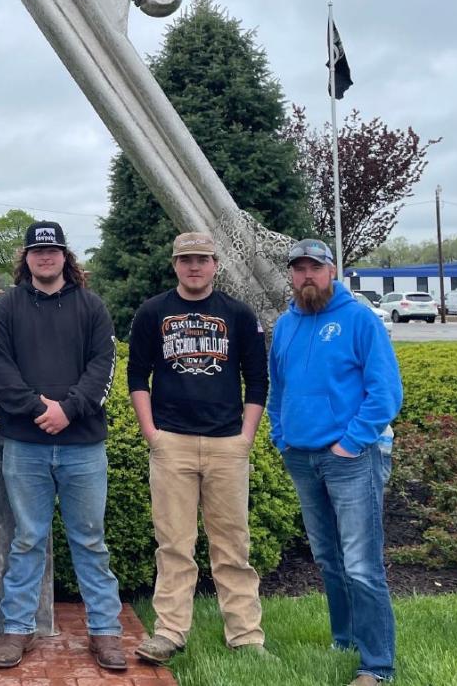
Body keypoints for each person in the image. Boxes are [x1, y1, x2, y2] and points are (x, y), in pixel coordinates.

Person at [0, 221, 127, 671]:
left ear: (66, 256)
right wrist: (34, 407)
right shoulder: (7, 307)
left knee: (90, 540)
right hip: (25, 444)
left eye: (53, 251)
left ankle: (105, 632)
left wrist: (69, 409)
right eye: (37, 252)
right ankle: (17, 630)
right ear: (26, 258)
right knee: (27, 539)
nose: (45, 258)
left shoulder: (91, 306)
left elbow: (104, 365)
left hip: (83, 445)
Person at [127, 232, 270, 665]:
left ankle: (246, 636)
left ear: (215, 265)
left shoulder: (239, 315)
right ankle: (169, 633)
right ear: (175, 265)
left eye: (202, 260)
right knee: (174, 545)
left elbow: (258, 380)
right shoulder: (153, 312)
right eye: (186, 259)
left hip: (228, 443)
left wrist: (246, 437)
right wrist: (152, 433)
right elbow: (138, 377)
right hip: (173, 443)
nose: (194, 267)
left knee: (232, 546)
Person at [268, 238, 403, 686]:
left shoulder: (359, 320)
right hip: (302, 457)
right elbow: (277, 389)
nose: (307, 275)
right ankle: (343, 639)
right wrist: (281, 436)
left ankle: (376, 665)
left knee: (361, 563)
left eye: (315, 267)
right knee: (328, 558)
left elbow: (386, 393)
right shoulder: (285, 326)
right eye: (299, 268)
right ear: (291, 275)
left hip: (352, 458)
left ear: (332, 272)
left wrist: (351, 443)